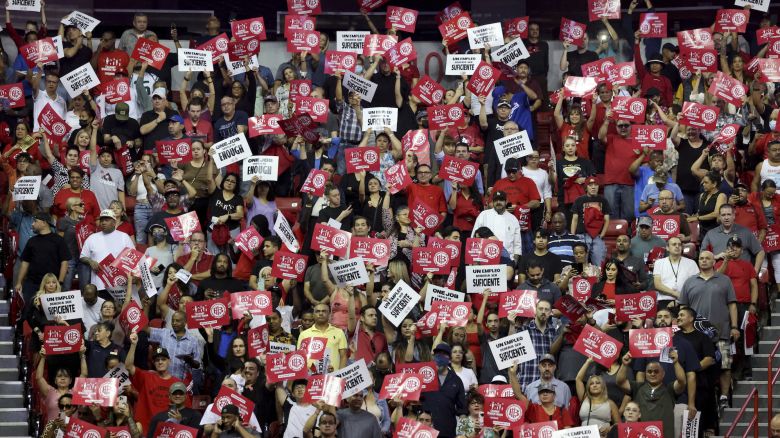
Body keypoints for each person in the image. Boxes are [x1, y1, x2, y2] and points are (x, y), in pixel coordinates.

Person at [679, 250, 740, 412]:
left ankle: (724, 397)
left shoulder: (725, 280)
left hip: (721, 332)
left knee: (725, 366)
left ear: (714, 262)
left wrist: (734, 326)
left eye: (707, 258)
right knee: (697, 367)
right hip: (695, 335)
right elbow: (683, 307)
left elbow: (732, 305)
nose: (704, 261)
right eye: (701, 258)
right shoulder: (689, 282)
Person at [616, 351, 686, 438]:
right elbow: (620, 382)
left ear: (663, 374)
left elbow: (682, 381)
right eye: (649, 371)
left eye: (656, 371)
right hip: (640, 435)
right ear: (645, 374)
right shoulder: (638, 387)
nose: (652, 374)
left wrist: (675, 363)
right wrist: (624, 364)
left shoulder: (670, 389)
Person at [125, 331, 187, 427]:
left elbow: (185, 409)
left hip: (167, 429)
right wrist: (133, 345)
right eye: (157, 360)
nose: (160, 362)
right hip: (145, 428)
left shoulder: (178, 383)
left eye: (163, 359)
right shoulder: (146, 377)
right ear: (153, 363)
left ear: (169, 361)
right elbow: (128, 366)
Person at [15, 212, 69, 302]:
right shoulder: (31, 241)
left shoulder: (58, 240)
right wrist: (19, 282)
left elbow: (64, 262)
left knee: (50, 314)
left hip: (51, 284)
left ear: (44, 223)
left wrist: (60, 282)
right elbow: (25, 263)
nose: (32, 224)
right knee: (28, 310)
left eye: (35, 221)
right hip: (32, 283)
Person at [79, 209, 134, 292]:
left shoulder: (124, 237)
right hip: (98, 284)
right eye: (102, 220)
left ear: (114, 222)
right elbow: (82, 256)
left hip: (119, 284)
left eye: (107, 220)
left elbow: (133, 257)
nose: (103, 222)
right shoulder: (92, 238)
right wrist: (90, 261)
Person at [514, 300, 563, 391]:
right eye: (540, 309)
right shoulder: (524, 330)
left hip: (547, 387)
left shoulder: (554, 332)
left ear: (550, 313)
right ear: (535, 311)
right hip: (525, 383)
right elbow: (512, 353)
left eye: (546, 309)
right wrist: (511, 325)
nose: (543, 312)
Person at [702, 204, 765, 273]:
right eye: (723, 215)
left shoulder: (745, 232)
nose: (726, 218)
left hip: (742, 275)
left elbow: (760, 252)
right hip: (720, 276)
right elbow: (702, 255)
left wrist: (755, 271)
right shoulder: (711, 234)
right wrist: (716, 256)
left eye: (729, 214)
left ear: (734, 216)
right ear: (719, 217)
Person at [421, 343, 467, 438]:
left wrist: (464, 433)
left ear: (449, 359)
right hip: (425, 431)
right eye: (438, 354)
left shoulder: (456, 380)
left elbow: (462, 410)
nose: (440, 357)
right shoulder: (424, 377)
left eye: (444, 354)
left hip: (447, 431)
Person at [472, 190, 522, 263]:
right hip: (484, 258)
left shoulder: (513, 219)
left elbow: (517, 244)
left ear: (506, 201)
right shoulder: (484, 215)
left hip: (507, 259)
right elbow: (474, 238)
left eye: (501, 200)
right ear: (492, 201)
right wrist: (475, 260)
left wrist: (515, 262)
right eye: (496, 200)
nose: (498, 202)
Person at [570, 176, 610, 267]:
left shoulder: (603, 201)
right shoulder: (579, 200)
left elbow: (607, 219)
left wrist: (602, 234)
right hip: (581, 234)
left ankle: (597, 280)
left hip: (597, 236)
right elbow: (575, 219)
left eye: (595, 185)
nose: (593, 187)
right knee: (581, 264)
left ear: (598, 187)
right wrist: (573, 236)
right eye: (590, 185)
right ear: (586, 187)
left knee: (599, 263)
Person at [575, 358, 620, 435]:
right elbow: (578, 379)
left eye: (597, 383)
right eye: (591, 384)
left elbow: (619, 425)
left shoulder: (610, 403)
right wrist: (587, 362)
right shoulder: (584, 398)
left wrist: (610, 429)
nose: (594, 385)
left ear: (602, 386)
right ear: (588, 387)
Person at [297, 303, 348, 371]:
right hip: (310, 377)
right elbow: (300, 357)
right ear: (313, 315)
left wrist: (340, 375)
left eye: (324, 311)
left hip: (333, 377)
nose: (321, 313)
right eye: (317, 311)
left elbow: (343, 356)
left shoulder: (339, 332)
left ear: (329, 314)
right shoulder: (304, 334)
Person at [653, 236, 699, 309]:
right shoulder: (659, 262)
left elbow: (696, 284)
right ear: (667, 248)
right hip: (665, 299)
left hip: (685, 300)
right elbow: (657, 285)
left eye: (679, 244)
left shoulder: (691, 263)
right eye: (674, 244)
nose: (677, 246)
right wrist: (676, 294)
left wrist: (681, 298)